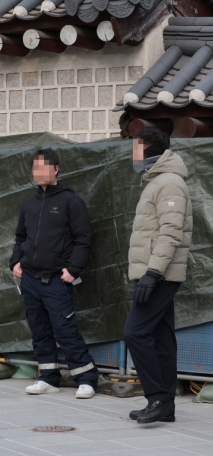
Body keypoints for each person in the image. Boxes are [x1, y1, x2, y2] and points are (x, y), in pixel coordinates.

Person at [10, 148, 98, 399]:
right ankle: (48, 378)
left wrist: (72, 270)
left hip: (56, 281)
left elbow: (84, 238)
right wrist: (15, 262)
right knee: (39, 331)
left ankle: (87, 379)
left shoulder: (71, 202)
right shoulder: (28, 204)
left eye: (44, 167)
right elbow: (20, 237)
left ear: (56, 169)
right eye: (35, 168)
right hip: (29, 280)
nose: (39, 173)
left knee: (65, 330)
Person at [124, 128, 192, 424]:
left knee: (134, 332)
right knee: (162, 338)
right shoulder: (157, 181)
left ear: (151, 151)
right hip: (157, 271)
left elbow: (170, 232)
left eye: (137, 150)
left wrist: (152, 273)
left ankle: (156, 398)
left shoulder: (169, 183)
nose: (133, 157)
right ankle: (165, 405)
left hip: (160, 273)